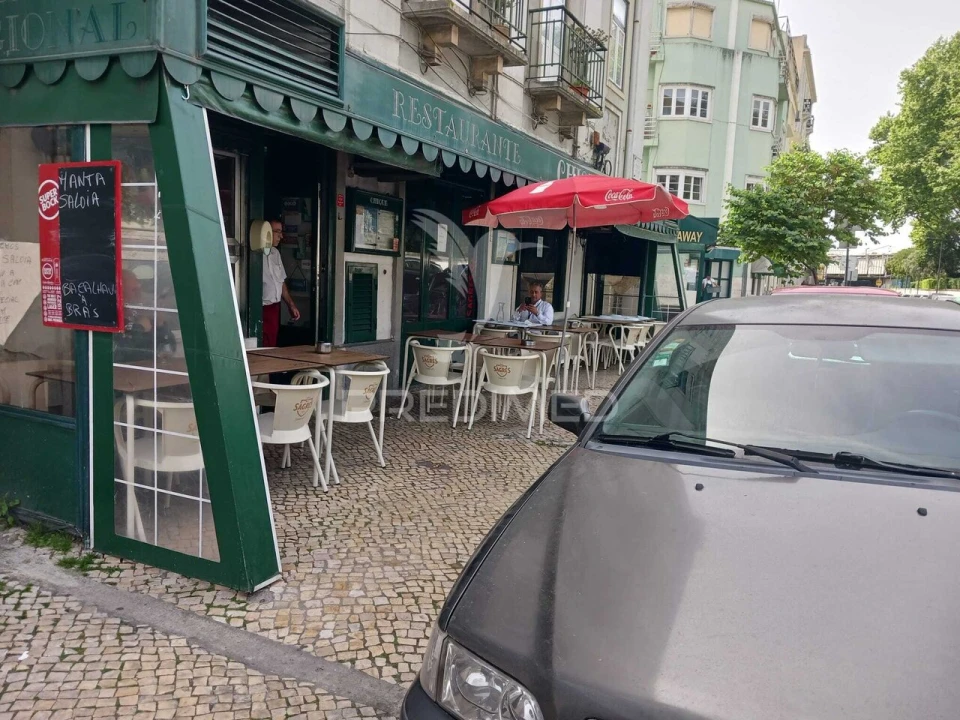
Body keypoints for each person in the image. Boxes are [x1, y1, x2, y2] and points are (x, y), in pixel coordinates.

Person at [262, 219, 300, 347]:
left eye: (281, 232)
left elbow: (281, 282)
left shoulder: (275, 253)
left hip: (274, 308)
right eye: (277, 232)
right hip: (260, 309)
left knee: (272, 344)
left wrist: (291, 305)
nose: (281, 236)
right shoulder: (255, 253)